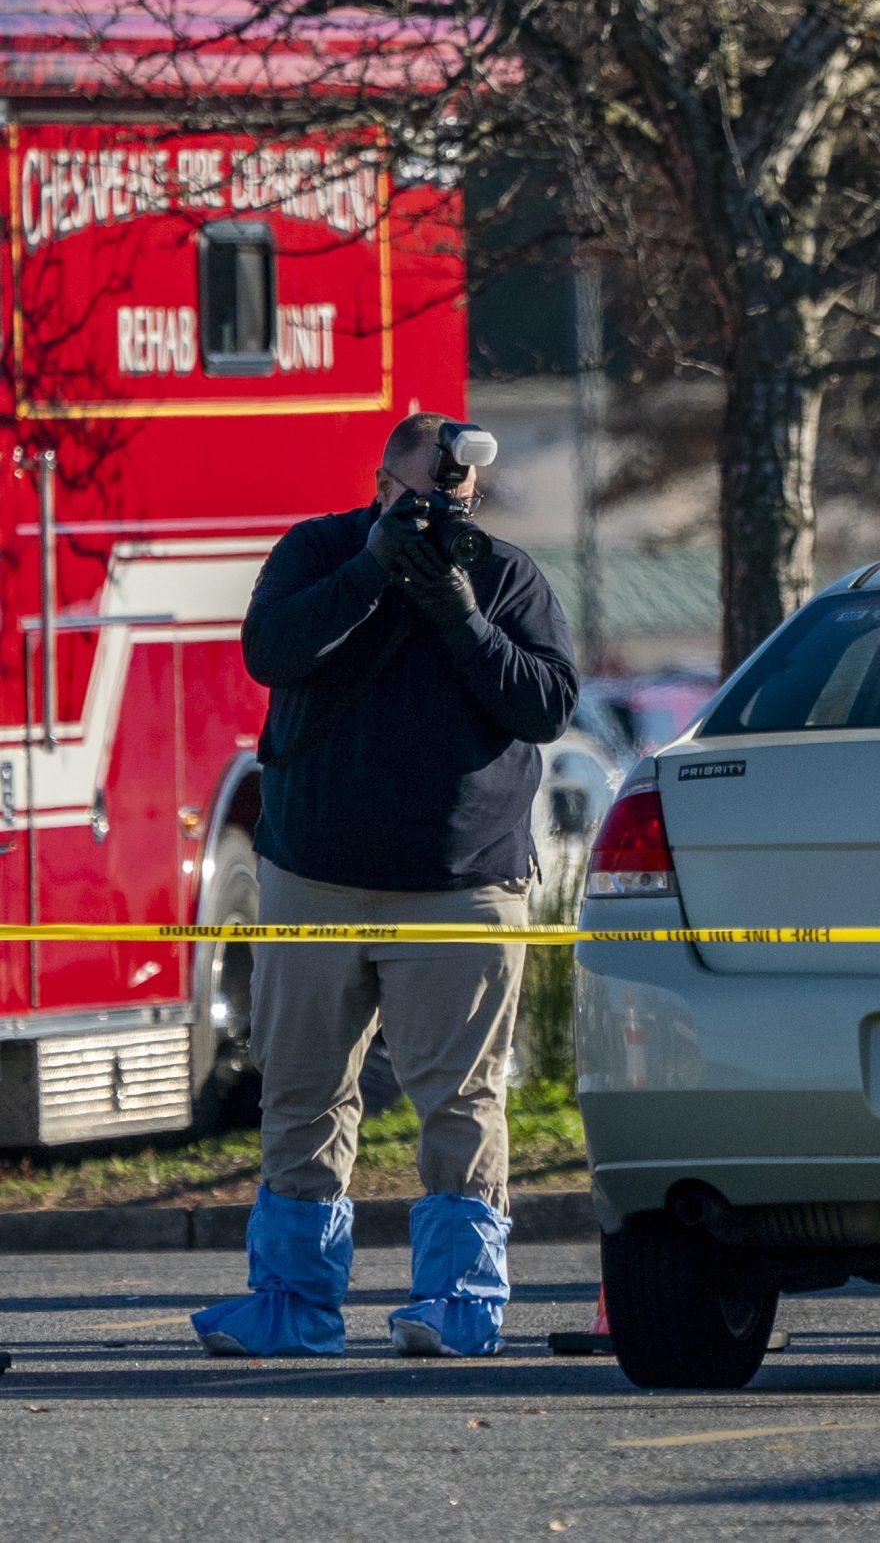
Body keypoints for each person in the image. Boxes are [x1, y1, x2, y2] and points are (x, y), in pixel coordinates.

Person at [192, 413, 577, 1358]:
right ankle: (294, 1300)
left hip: (460, 882)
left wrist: (459, 611)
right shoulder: (319, 549)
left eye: (454, 497)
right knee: (301, 1092)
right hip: (313, 874)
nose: (438, 510)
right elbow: (270, 651)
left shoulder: (503, 572)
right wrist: (369, 569)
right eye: (418, 495)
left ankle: (458, 1297)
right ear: (379, 483)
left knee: (458, 1099)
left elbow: (545, 703)